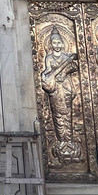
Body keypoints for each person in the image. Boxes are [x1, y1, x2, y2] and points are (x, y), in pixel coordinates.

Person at [39, 28, 80, 160]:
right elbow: (47, 71)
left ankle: (69, 139)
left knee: (67, 114)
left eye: (59, 42)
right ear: (51, 44)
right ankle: (61, 140)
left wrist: (65, 71)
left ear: (63, 44)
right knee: (57, 115)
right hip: (55, 89)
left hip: (66, 87)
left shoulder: (66, 57)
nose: (57, 45)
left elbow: (75, 66)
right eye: (54, 43)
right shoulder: (49, 57)